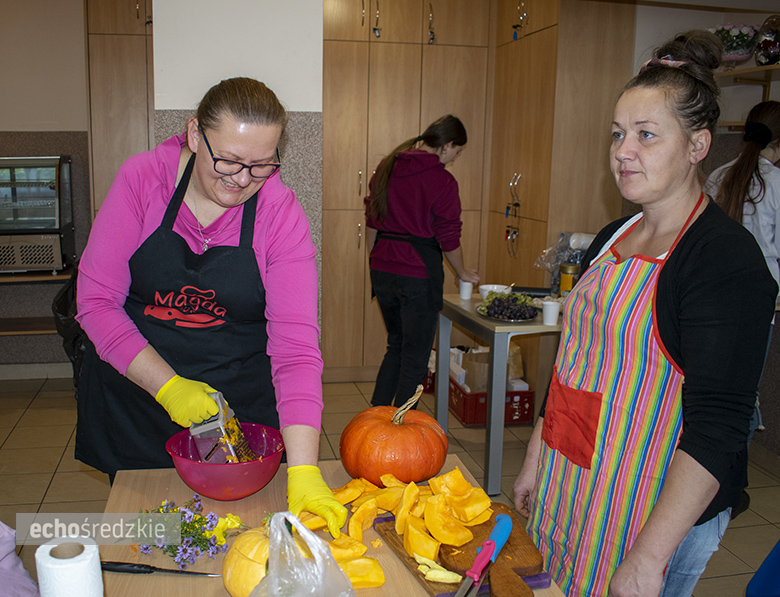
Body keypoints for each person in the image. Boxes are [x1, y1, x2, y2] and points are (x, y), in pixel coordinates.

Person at [512, 32, 777, 597]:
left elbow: (719, 428)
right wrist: (538, 450)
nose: (622, 150)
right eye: (617, 134)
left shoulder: (724, 260)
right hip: (574, 476)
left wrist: (649, 557)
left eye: (646, 135)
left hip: (654, 507)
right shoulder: (613, 236)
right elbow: (573, 364)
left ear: (698, 146)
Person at [75, 77, 346, 537]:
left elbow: (296, 349)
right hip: (140, 398)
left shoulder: (279, 214)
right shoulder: (143, 180)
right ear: (195, 134)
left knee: (239, 542)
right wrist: (170, 389)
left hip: (237, 414)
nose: (242, 181)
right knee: (156, 542)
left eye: (262, 166)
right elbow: (96, 303)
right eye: (230, 161)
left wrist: (303, 470)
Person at [364, 115, 480, 407]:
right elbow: (449, 237)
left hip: (382, 270)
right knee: (415, 358)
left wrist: (375, 260)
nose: (454, 158)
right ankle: (402, 434)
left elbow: (372, 221)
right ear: (448, 144)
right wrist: (463, 272)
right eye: (457, 151)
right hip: (417, 276)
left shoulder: (387, 167)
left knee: (396, 347)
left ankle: (372, 424)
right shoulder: (442, 180)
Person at [705, 101, 780, 441]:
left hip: (711, 295)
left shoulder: (719, 174)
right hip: (758, 303)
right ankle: (730, 482)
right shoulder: (776, 182)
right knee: (742, 393)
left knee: (712, 389)